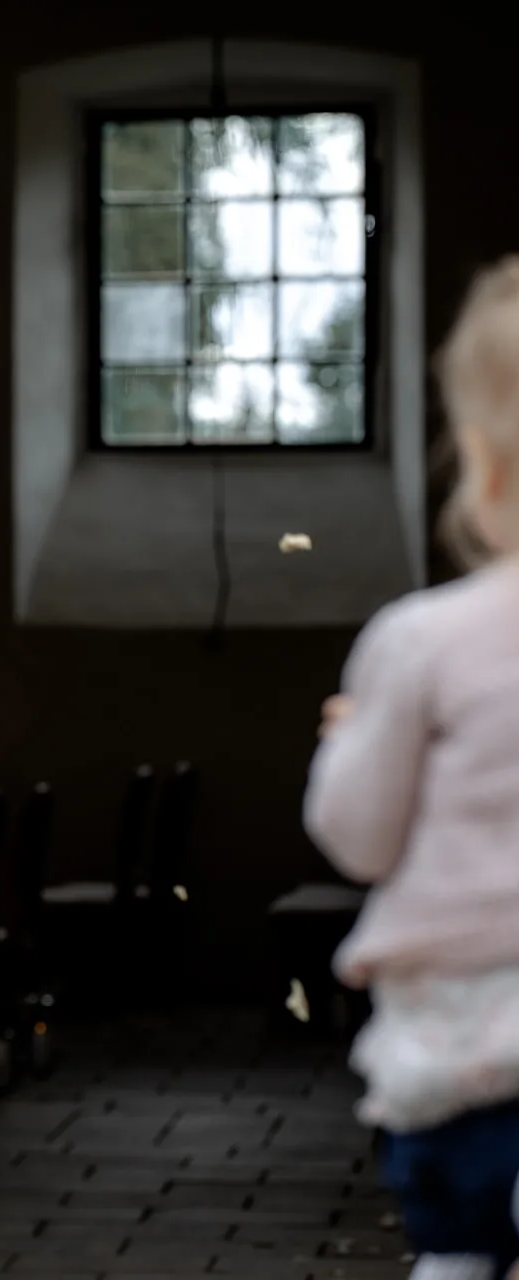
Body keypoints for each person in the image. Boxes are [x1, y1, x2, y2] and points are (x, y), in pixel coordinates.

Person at [307, 258, 519, 1280]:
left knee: (459, 1253)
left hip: (474, 1055)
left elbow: (359, 833)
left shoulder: (427, 640)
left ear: (480, 463)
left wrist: (349, 738)